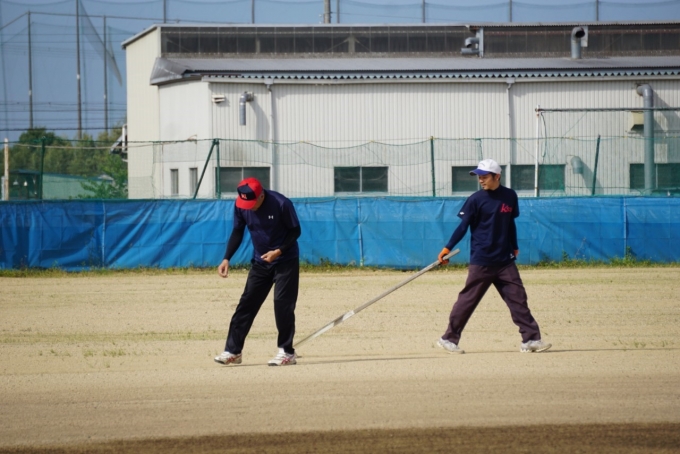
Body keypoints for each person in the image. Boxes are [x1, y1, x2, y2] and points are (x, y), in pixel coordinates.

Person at [436, 159, 551, 354]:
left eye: (484, 176)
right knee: (467, 301)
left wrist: (514, 246)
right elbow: (463, 227)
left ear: (497, 176)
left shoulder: (510, 196)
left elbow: (510, 222)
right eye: (479, 176)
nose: (480, 180)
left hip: (505, 260)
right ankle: (448, 339)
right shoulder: (475, 199)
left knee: (518, 299)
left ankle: (531, 340)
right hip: (482, 260)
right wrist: (447, 248)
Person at [214, 177, 302, 366]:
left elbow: (295, 231)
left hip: (285, 261)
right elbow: (238, 231)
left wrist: (278, 251)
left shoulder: (281, 203)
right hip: (260, 262)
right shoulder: (241, 205)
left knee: (282, 305)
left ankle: (286, 352)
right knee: (246, 304)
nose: (249, 207)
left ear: (262, 195)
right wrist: (226, 258)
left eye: (252, 203)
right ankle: (233, 351)